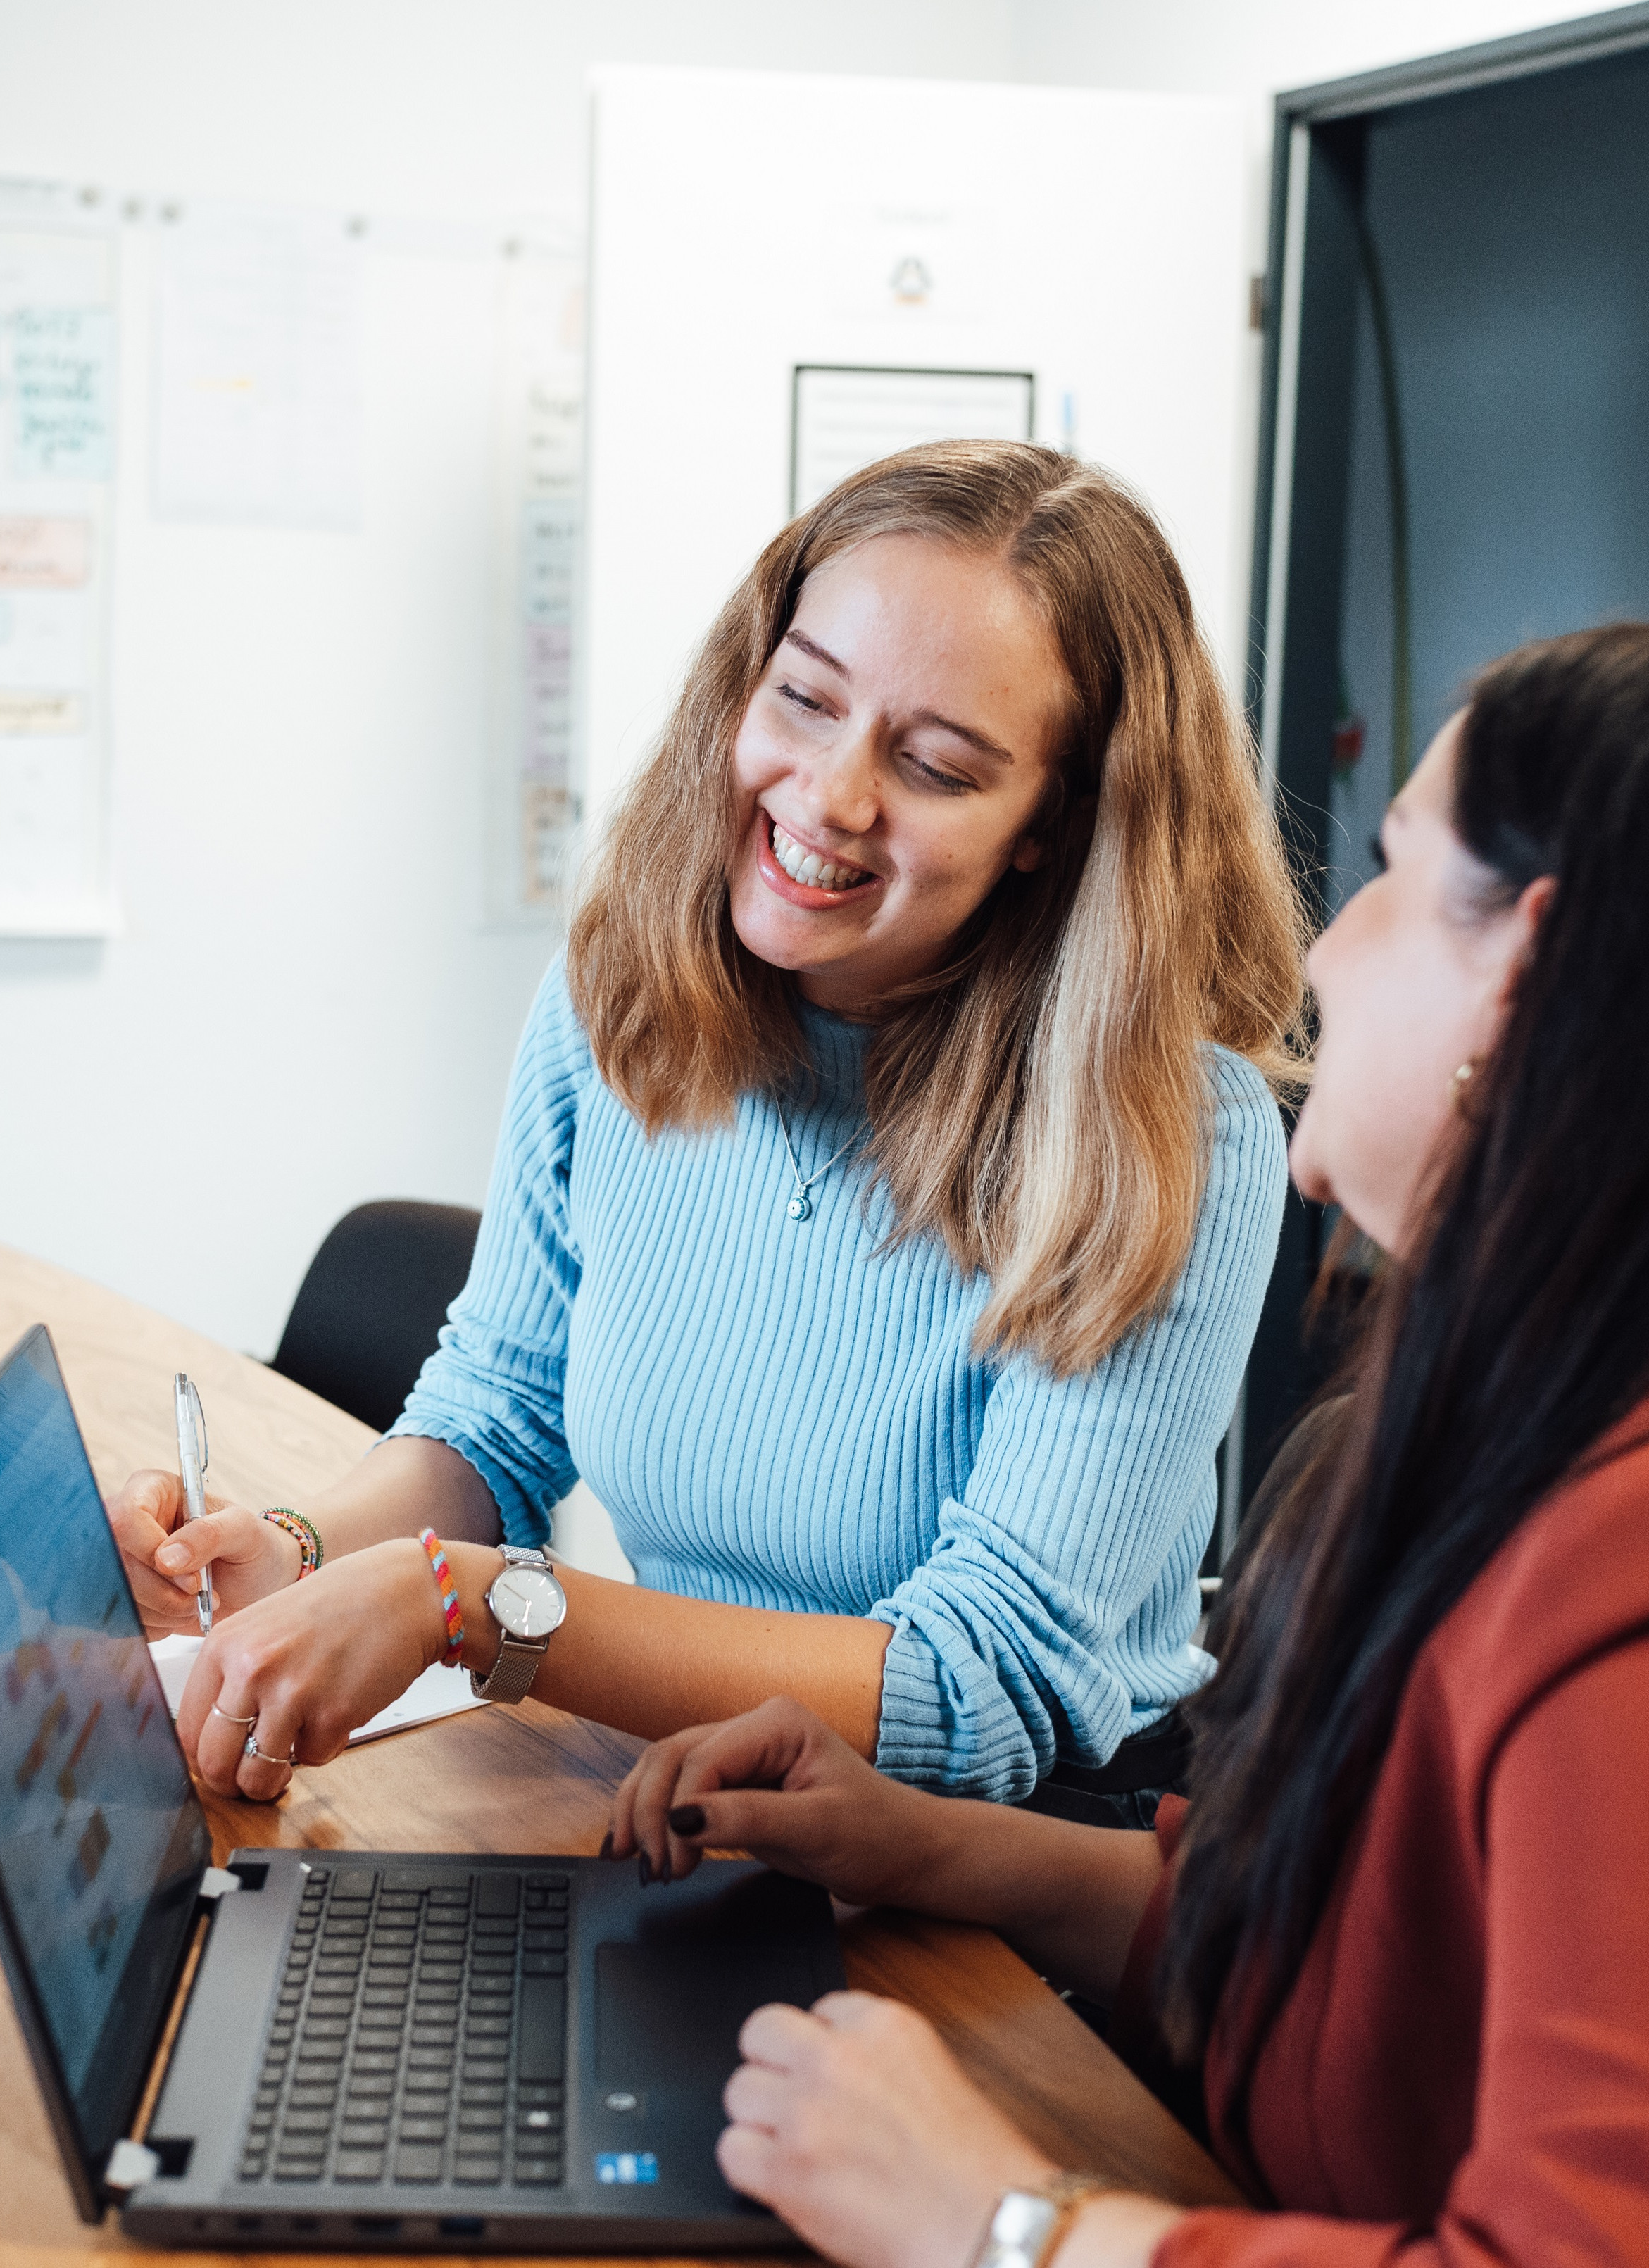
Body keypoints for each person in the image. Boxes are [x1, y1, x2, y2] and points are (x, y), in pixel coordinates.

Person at [604, 625, 1649, 2267]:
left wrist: (1004, 2226)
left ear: (1523, 972)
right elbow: (1373, 1955)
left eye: (1396, 870)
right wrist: (928, 1843)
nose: (1327, 948)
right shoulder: (1589, 1397)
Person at [112, 441, 1305, 1818]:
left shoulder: (1170, 1134)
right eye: (802, 697)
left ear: (1056, 821)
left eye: (932, 763)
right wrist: (301, 1545)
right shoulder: (617, 995)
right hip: (686, 1796)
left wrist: (477, 1607)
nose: (828, 794)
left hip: (1003, 1864)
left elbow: (974, 1693)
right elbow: (495, 1421)